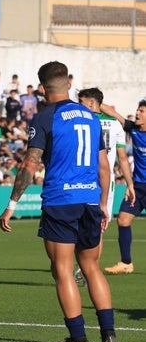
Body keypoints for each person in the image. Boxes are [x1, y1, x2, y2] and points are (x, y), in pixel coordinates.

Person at [0, 61, 117, 342]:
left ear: (42, 89)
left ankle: (78, 339)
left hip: (61, 201)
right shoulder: (91, 117)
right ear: (69, 83)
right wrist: (103, 204)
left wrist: (11, 204)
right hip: (90, 199)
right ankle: (109, 335)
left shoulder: (45, 118)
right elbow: (104, 166)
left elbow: (30, 164)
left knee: (62, 270)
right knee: (91, 266)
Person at [72, 89, 134, 283]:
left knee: (79, 221)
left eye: (81, 101)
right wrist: (129, 184)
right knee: (99, 225)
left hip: (84, 177)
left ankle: (86, 268)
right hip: (107, 180)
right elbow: (122, 158)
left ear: (90, 104)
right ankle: (91, 268)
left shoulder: (82, 121)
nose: (79, 105)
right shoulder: (116, 125)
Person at [98, 99, 146, 275]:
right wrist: (91, 99)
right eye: (137, 110)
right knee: (123, 220)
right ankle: (126, 263)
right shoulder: (133, 128)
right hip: (138, 187)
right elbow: (112, 113)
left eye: (141, 111)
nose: (137, 113)